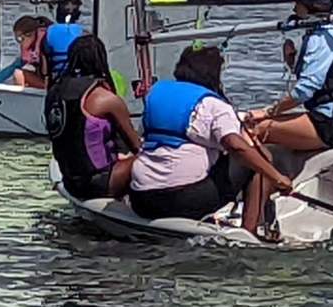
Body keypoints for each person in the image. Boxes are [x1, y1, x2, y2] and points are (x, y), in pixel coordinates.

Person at [130, 45, 292, 239]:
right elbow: (235, 146)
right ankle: (248, 234)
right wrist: (277, 177)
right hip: (180, 201)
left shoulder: (156, 94)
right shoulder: (214, 105)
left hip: (141, 199)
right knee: (258, 161)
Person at [248, 0, 333, 152]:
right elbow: (330, 76)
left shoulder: (321, 37)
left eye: (298, 3)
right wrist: (293, 63)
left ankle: (275, 179)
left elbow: (305, 89)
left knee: (255, 129)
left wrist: (268, 111)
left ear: (310, 5)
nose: (294, 8)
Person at [44, 35, 140, 200]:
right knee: (155, 158)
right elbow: (137, 147)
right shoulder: (105, 99)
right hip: (99, 184)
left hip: (70, 182)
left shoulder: (53, 93)